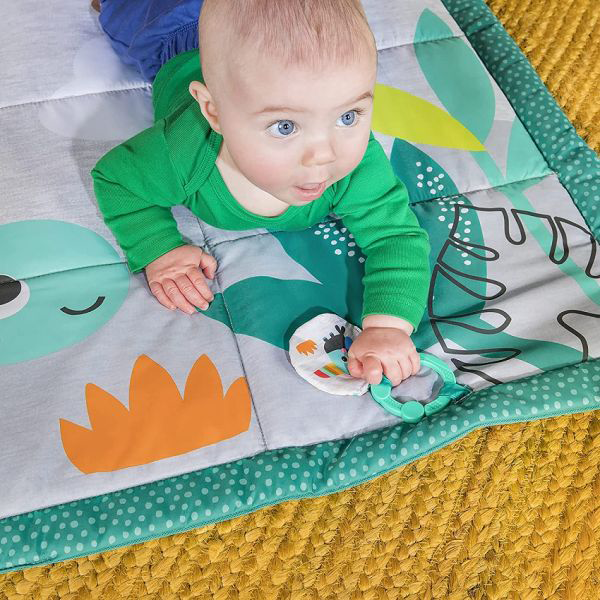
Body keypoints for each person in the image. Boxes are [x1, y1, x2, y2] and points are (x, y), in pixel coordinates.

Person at [91, 0, 431, 387]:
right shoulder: (181, 151)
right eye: (285, 126)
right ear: (213, 111)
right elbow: (117, 181)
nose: (323, 154)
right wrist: (159, 249)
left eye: (347, 116)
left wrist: (388, 325)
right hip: (173, 29)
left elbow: (395, 237)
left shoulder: (359, 164)